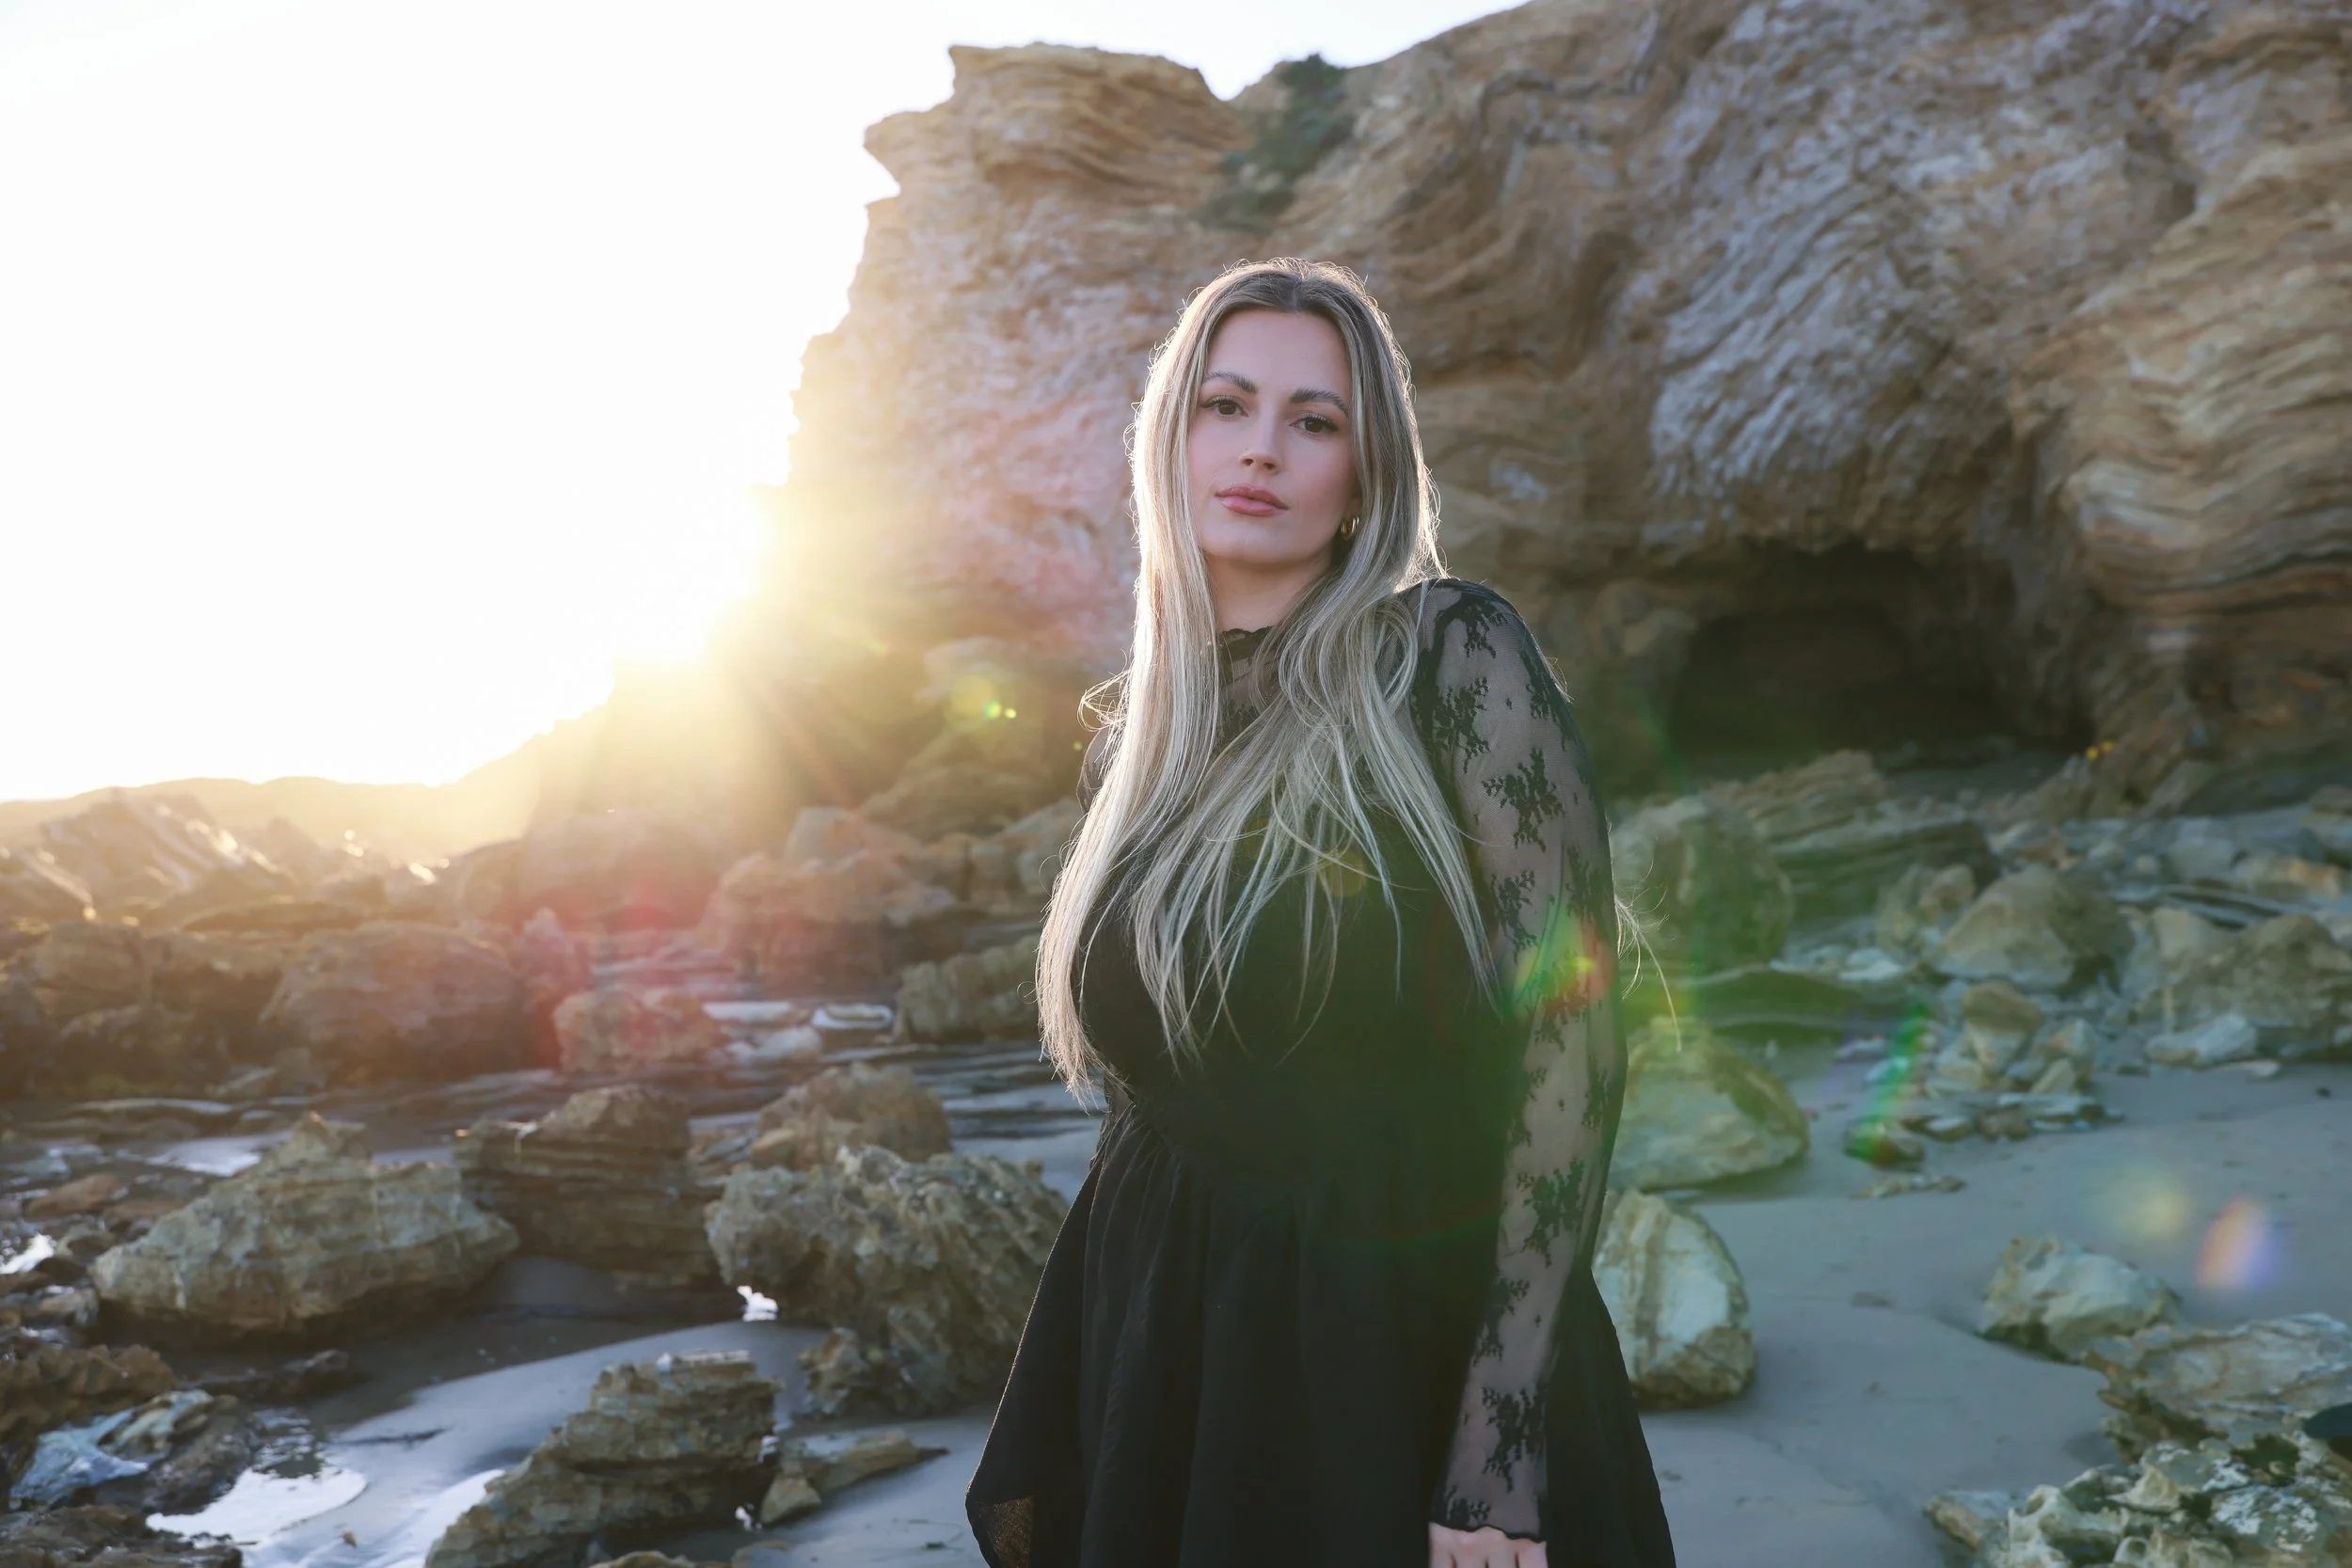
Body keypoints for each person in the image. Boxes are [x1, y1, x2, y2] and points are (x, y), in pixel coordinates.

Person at [965, 257, 1677, 1568]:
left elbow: (1570, 1041)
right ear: (1169, 443)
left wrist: (1495, 1450)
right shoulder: (1143, 742)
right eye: (1224, 406)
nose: (1262, 449)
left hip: (1396, 1342)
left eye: (1315, 420)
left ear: (1367, 473)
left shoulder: (1448, 658)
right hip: (1175, 1365)